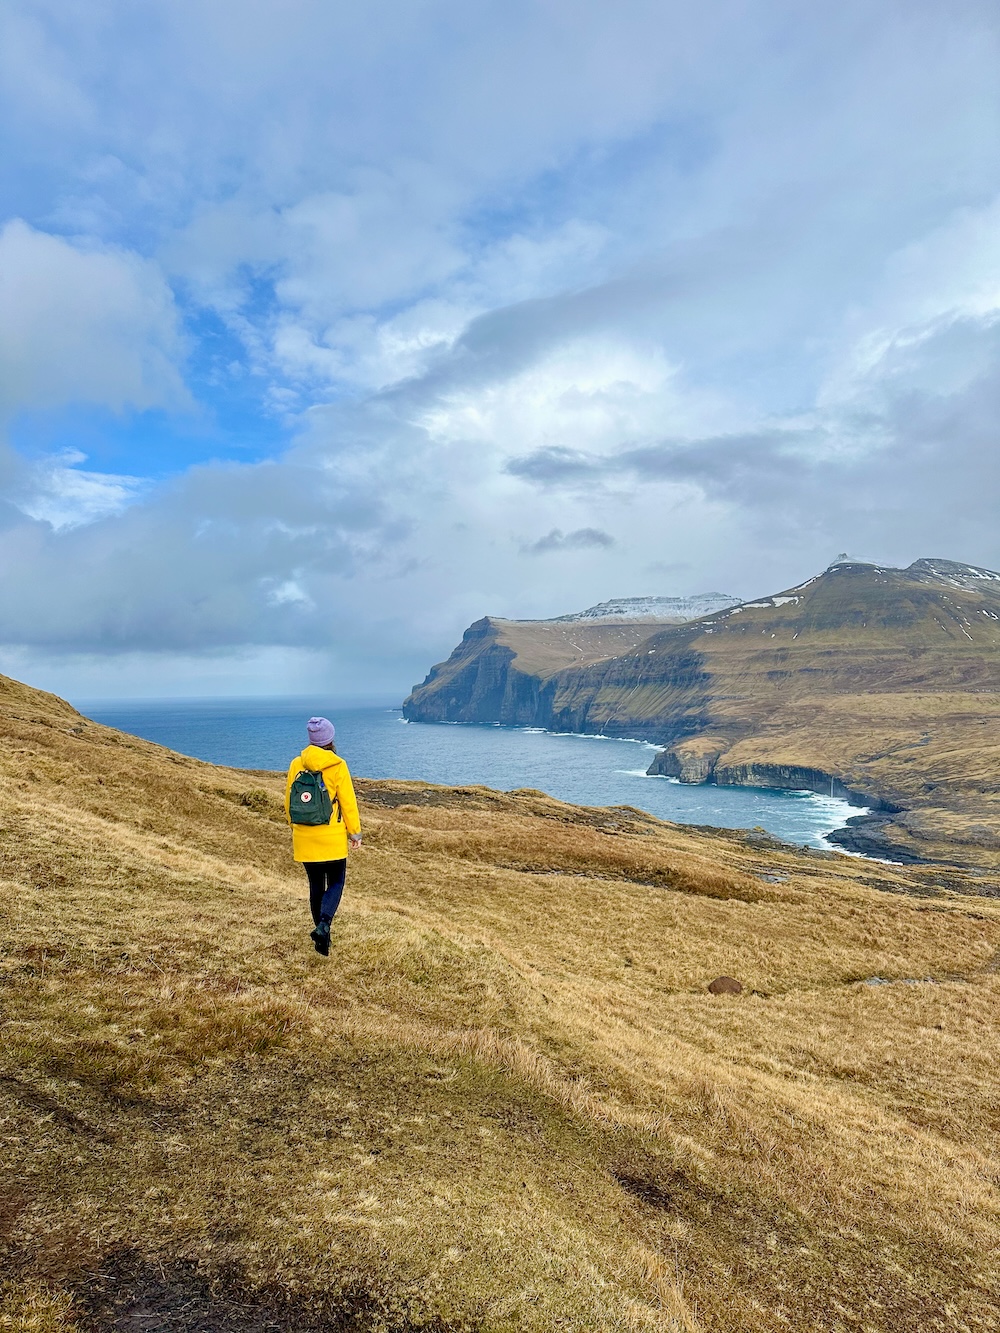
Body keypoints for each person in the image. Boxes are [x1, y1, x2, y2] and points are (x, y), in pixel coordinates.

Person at [284, 716, 362, 956]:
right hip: (332, 837)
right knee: (336, 881)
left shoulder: (297, 764)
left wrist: (294, 826)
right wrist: (355, 832)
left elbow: (289, 802)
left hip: (305, 837)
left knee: (316, 884)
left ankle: (321, 938)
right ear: (330, 739)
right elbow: (348, 802)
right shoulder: (338, 765)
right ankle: (324, 923)